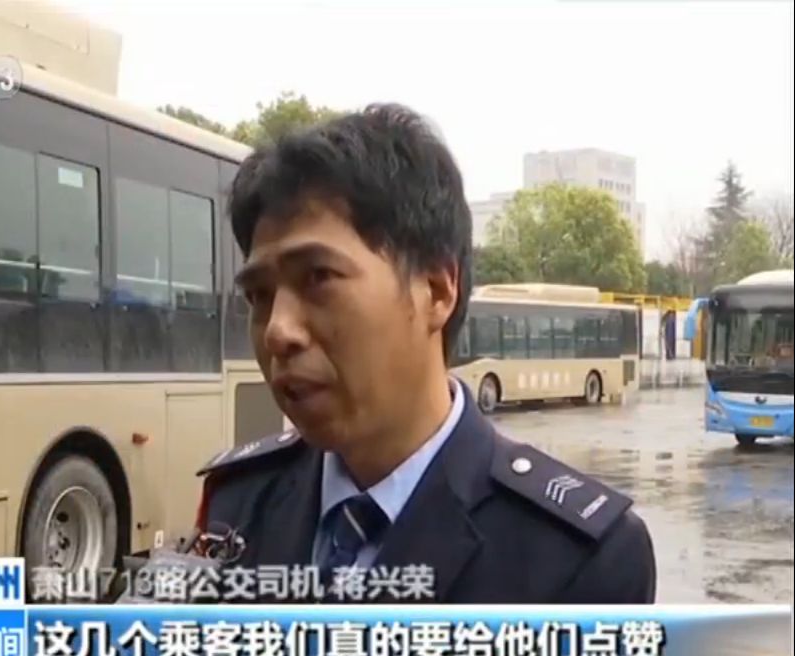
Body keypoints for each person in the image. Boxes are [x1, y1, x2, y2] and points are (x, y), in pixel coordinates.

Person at [194, 104, 656, 604]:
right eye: (259, 295)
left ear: (436, 290)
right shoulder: (238, 503)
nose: (278, 331)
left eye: (318, 278)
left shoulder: (578, 559)